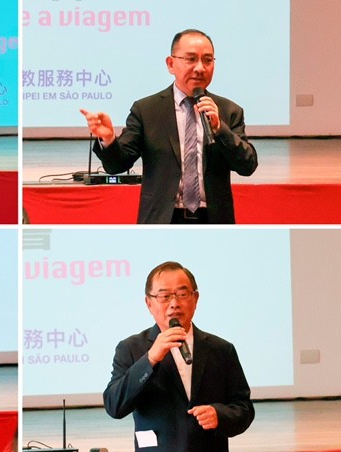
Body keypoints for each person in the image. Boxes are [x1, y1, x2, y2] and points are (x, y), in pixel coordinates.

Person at [80, 29, 258, 224]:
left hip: (214, 221)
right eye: (191, 59)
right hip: (162, 220)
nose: (200, 68)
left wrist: (219, 129)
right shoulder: (147, 110)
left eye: (208, 60)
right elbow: (116, 165)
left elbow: (247, 166)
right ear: (171, 64)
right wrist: (108, 139)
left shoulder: (229, 111)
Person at [103, 261, 254, 451]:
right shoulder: (131, 348)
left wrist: (220, 415)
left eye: (182, 294)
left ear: (195, 299)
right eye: (164, 296)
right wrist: (150, 359)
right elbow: (114, 406)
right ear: (149, 303)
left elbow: (244, 408)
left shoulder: (221, 350)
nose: (174, 303)